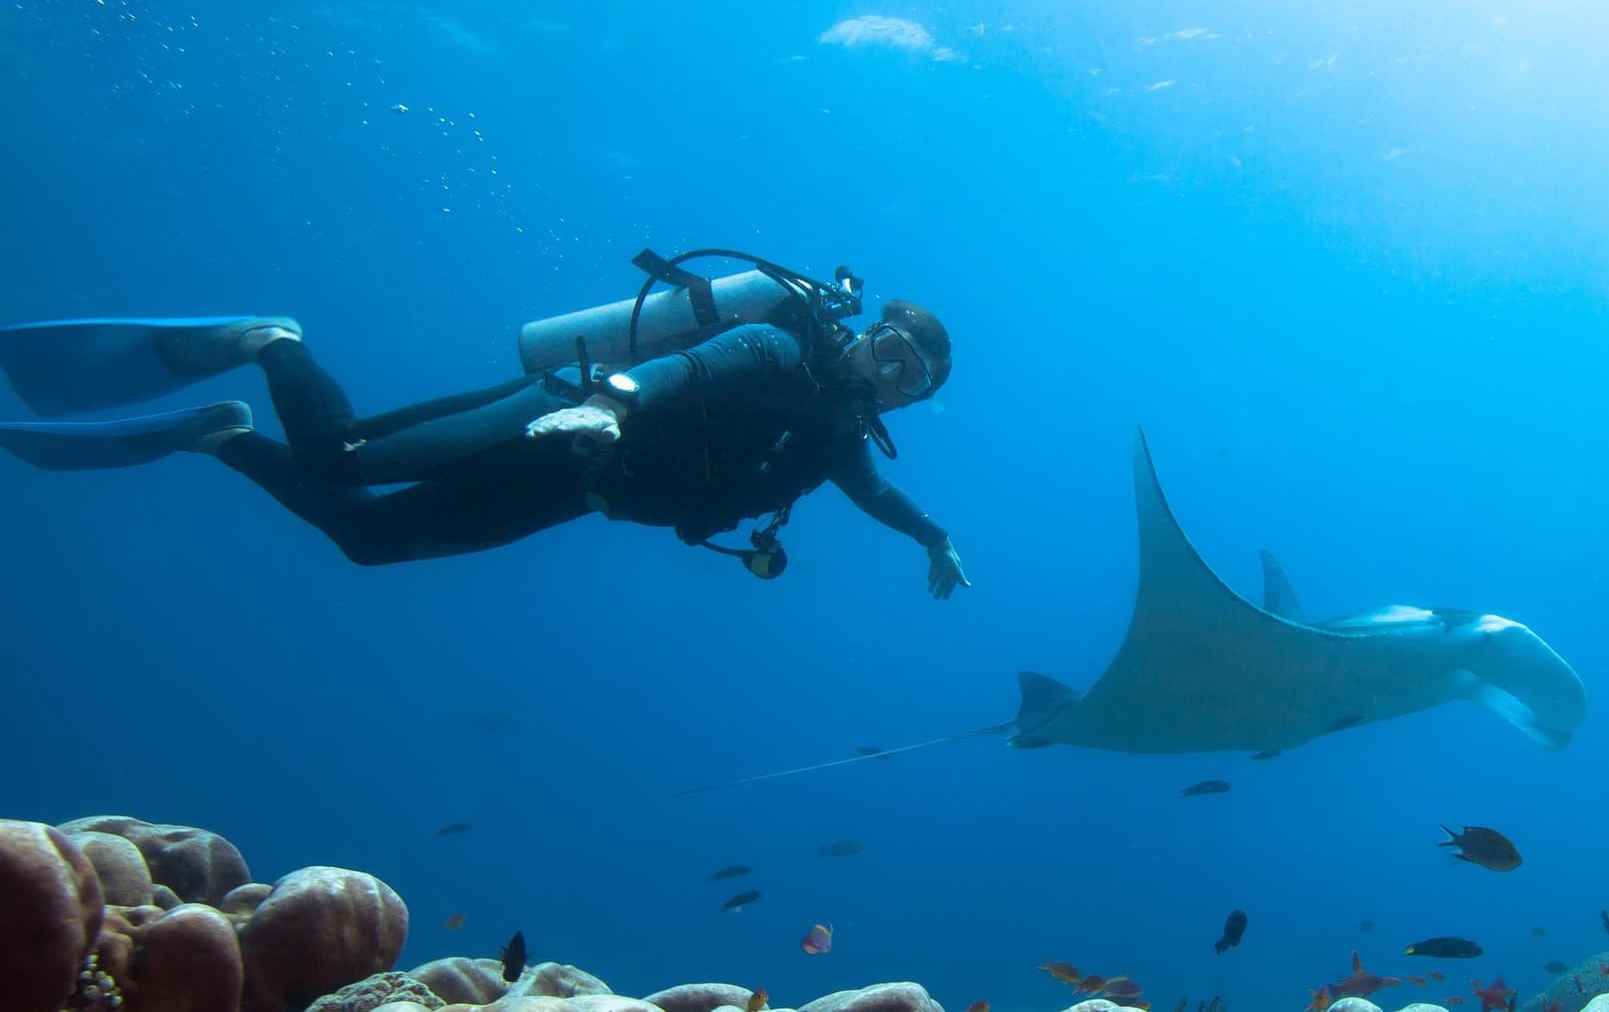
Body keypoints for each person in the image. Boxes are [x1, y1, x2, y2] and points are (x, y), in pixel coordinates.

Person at [0, 300, 971, 597]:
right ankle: (276, 341)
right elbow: (691, 369)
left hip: (573, 490)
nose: (887, 375)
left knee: (371, 542)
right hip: (552, 418)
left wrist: (932, 539)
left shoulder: (837, 432)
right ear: (866, 331)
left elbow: (871, 494)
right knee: (338, 458)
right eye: (889, 351)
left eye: (908, 381)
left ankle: (224, 438)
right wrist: (611, 398)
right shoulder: (773, 344)